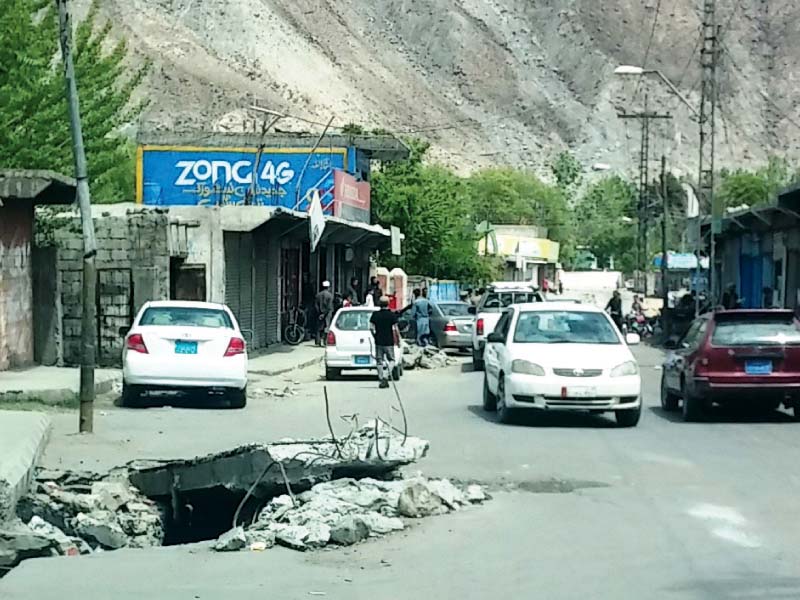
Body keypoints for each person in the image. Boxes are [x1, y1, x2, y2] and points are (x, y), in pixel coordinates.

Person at [369, 296, 399, 389]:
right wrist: (397, 340)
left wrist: (374, 336)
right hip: (389, 341)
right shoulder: (392, 315)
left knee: (379, 361)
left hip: (378, 341)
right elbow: (395, 329)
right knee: (392, 360)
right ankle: (386, 375)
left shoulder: (375, 315)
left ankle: (381, 378)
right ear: (388, 304)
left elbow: (371, 327)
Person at [314, 281, 334, 346]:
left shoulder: (318, 295)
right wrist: (324, 314)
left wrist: (320, 313)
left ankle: (318, 341)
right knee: (326, 327)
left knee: (319, 327)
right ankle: (325, 341)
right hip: (327, 314)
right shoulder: (330, 296)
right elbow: (329, 306)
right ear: (328, 287)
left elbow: (315, 305)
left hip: (319, 313)